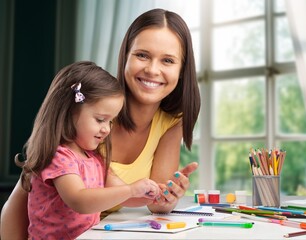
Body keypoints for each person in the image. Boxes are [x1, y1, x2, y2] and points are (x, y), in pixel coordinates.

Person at [0, 8, 200, 239]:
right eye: (142, 55)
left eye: (167, 60)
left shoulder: (165, 124)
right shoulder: (77, 134)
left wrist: (164, 195)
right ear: (125, 55)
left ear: (182, 69)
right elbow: (35, 196)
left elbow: (148, 202)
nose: (152, 70)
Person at [12, 61, 161, 239]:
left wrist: (150, 196)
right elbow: (79, 200)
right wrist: (131, 189)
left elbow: (123, 197)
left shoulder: (95, 158)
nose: (107, 129)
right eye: (100, 120)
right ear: (69, 112)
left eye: (111, 121)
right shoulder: (59, 157)